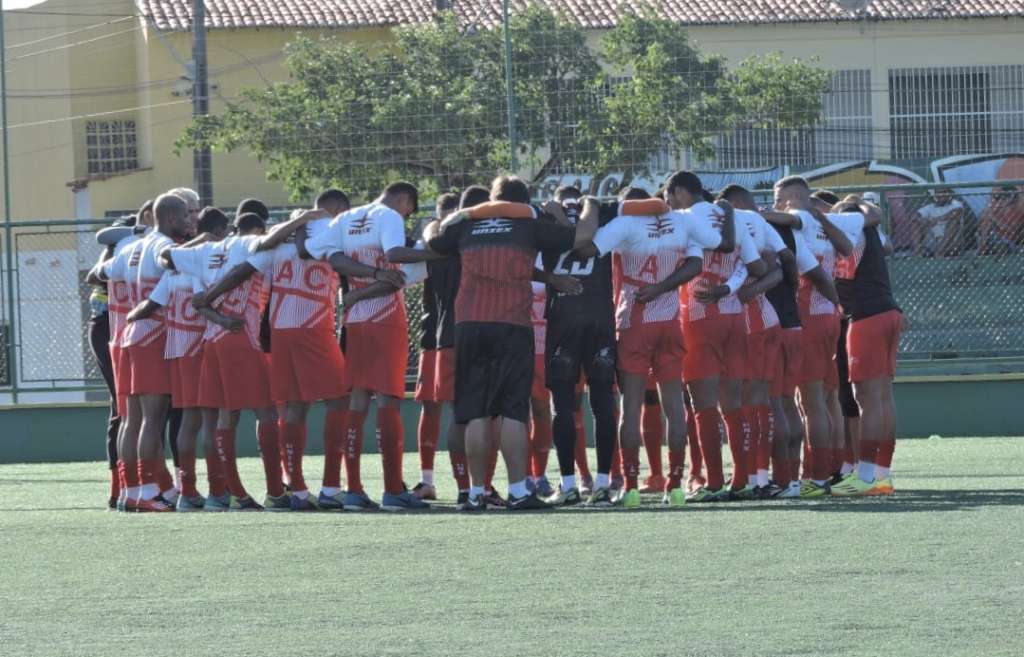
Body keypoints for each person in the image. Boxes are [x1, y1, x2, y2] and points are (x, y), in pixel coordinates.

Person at [425, 176, 597, 511]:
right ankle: (519, 490)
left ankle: (475, 494)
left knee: (474, 412)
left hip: (469, 325)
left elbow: (433, 241)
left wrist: (445, 219)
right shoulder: (528, 223)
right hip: (512, 325)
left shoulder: (467, 225)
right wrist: (592, 205)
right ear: (523, 199)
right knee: (512, 413)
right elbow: (583, 237)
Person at [574, 179, 733, 507]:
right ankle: (675, 486)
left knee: (630, 408)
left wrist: (593, 210)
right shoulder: (683, 220)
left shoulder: (624, 222)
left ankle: (631, 487)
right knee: (675, 407)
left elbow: (585, 248)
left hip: (634, 320)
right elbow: (706, 256)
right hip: (670, 322)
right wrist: (663, 288)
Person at [165, 209, 317, 510]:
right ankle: (275, 492)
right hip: (241, 338)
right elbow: (240, 272)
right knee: (267, 414)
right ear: (258, 230)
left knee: (224, 417)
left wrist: (217, 316)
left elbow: (168, 261)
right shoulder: (249, 245)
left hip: (212, 341)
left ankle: (228, 493)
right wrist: (304, 218)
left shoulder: (205, 250)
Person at [303, 181, 433, 511]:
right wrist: (436, 253)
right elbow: (394, 260)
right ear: (404, 199)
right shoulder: (388, 216)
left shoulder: (345, 219)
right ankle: (392, 490)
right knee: (389, 399)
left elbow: (322, 254)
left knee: (358, 401)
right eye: (409, 210)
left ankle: (354, 490)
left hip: (355, 320)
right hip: (386, 318)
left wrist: (361, 285)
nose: (406, 217)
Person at [772, 176, 879, 497]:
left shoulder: (801, 217)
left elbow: (786, 217)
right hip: (829, 317)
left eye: (779, 198)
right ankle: (832, 467)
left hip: (808, 318)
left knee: (810, 402)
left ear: (792, 197)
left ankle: (815, 477)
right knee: (828, 398)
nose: (776, 205)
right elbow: (876, 225)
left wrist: (749, 214)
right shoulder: (832, 221)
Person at [126, 207, 236, 511]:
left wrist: (129, 318)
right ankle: (217, 490)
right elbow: (202, 303)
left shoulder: (174, 268)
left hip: (175, 350)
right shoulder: (201, 264)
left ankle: (187, 492)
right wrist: (226, 322)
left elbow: (153, 302)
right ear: (216, 233)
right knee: (210, 420)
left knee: (188, 422)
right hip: (199, 348)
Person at [665, 172, 765, 504]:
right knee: (733, 405)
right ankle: (742, 480)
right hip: (734, 318)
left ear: (679, 192)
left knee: (704, 406)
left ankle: (714, 483)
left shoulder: (683, 218)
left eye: (669, 196)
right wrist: (728, 287)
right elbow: (755, 266)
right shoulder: (728, 215)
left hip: (698, 317)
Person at [88, 192, 191, 512]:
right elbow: (180, 270)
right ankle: (147, 491)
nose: (189, 221)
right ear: (172, 218)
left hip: (127, 338)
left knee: (130, 419)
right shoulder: (164, 248)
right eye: (186, 216)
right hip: (153, 339)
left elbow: (98, 275)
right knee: (152, 419)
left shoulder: (130, 248)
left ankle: (130, 491)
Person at [538, 185, 625, 507]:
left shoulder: (545, 217)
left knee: (562, 405)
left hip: (563, 320)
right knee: (602, 402)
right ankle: (603, 483)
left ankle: (569, 484)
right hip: (600, 318)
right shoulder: (602, 215)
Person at [717, 184, 799, 497]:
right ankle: (775, 479)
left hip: (746, 321)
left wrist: (746, 288)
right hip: (771, 318)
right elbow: (782, 263)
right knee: (768, 404)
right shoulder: (759, 221)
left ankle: (752, 480)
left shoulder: (723, 220)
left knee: (743, 406)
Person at [829, 197, 900, 496]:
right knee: (883, 398)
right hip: (889, 313)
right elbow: (884, 239)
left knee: (866, 400)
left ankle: (867, 475)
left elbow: (836, 278)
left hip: (866, 319)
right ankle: (882, 474)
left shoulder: (849, 237)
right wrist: (860, 204)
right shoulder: (872, 233)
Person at [412, 192, 460, 501]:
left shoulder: (471, 243)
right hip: (433, 331)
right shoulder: (428, 245)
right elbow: (405, 272)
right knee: (430, 404)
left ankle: (468, 483)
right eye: (446, 216)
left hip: (464, 333)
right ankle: (426, 480)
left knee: (463, 407)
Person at [914, 188, 964, 257]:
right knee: (916, 224)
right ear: (935, 195)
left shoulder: (955, 203)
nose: (941, 194)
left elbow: (957, 212)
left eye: (944, 192)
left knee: (954, 223)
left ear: (949, 194)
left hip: (950, 242)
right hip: (932, 239)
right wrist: (925, 221)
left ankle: (940, 252)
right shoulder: (930, 207)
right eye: (938, 192)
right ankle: (916, 254)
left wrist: (937, 220)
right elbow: (915, 216)